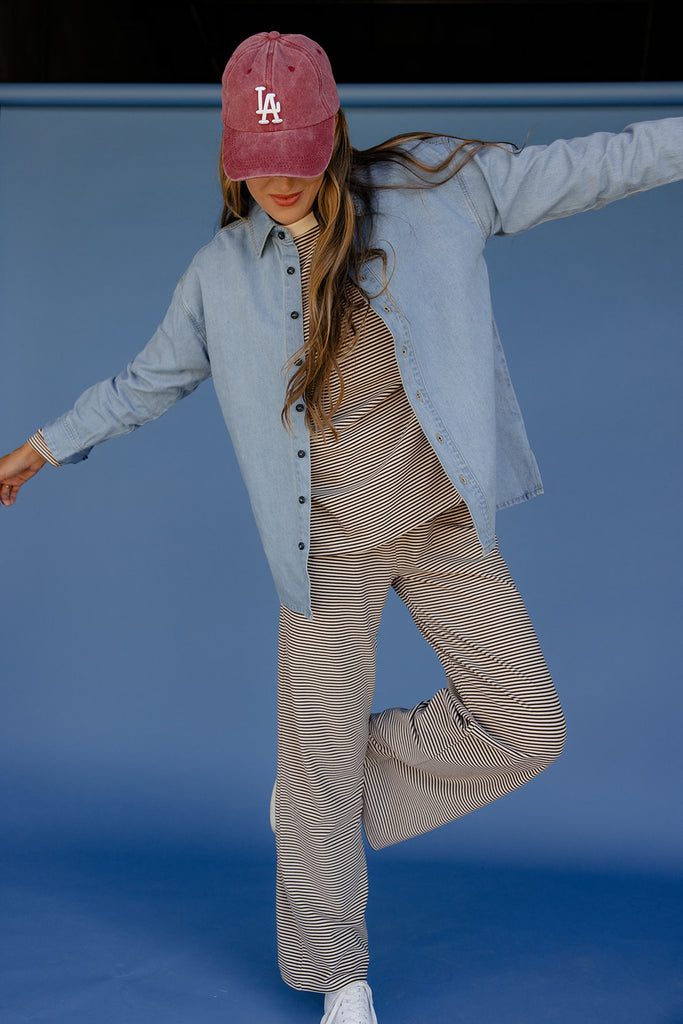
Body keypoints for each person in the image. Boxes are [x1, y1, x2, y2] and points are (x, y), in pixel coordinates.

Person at [1, 29, 681, 1024]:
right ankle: (338, 977)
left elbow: (596, 165)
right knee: (311, 770)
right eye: (257, 160)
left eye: (299, 154)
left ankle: (325, 788)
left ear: (333, 134)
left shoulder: (437, 192)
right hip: (321, 547)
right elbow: (146, 382)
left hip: (439, 515)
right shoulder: (221, 273)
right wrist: (41, 448)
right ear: (235, 154)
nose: (280, 181)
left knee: (523, 725)